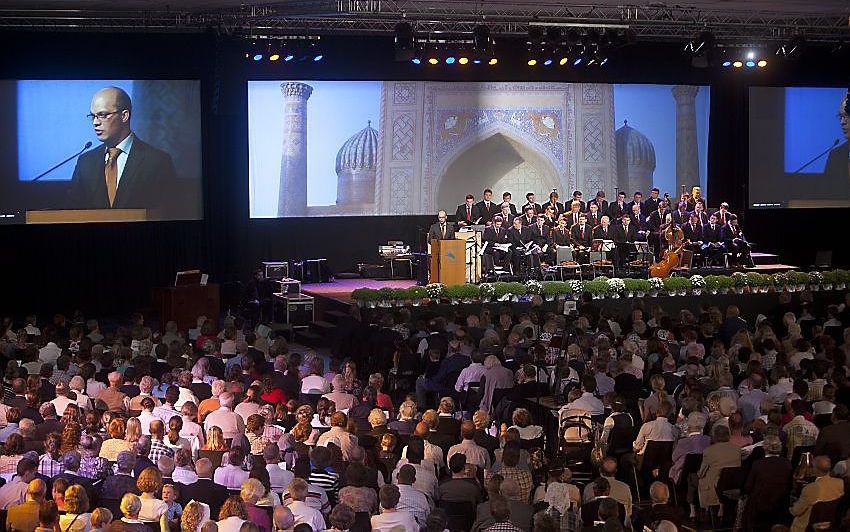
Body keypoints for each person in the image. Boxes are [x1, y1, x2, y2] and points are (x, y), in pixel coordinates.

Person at [67, 86, 180, 219]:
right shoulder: (85, 162)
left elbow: (167, 213)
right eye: (93, 116)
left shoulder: (157, 161)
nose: (95, 123)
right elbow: (72, 211)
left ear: (124, 116)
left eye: (102, 115)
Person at [790, 455, 844, 532]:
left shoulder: (811, 488)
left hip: (806, 527)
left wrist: (792, 504)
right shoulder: (840, 483)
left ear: (815, 469)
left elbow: (796, 511)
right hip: (829, 524)